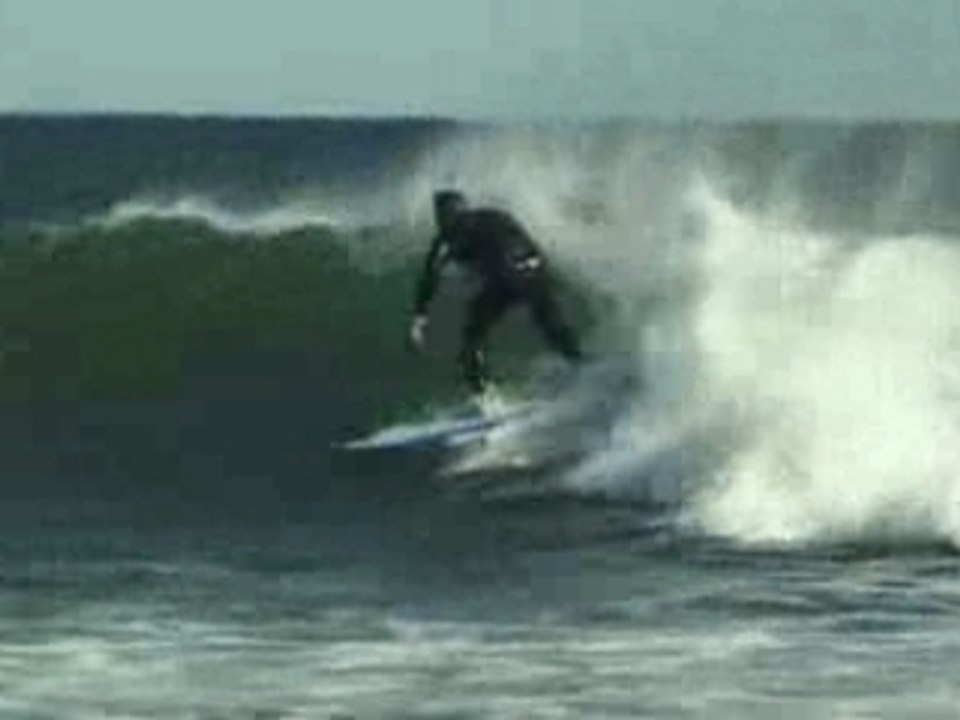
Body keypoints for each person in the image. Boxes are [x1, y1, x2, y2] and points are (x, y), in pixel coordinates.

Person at [408, 190, 583, 398]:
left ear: (450, 213)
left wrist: (419, 320)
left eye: (441, 214)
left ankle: (484, 395)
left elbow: (431, 276)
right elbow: (529, 246)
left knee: (472, 338)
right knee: (551, 325)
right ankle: (582, 365)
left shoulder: (450, 236)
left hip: (507, 277)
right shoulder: (495, 215)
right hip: (534, 270)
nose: (439, 220)